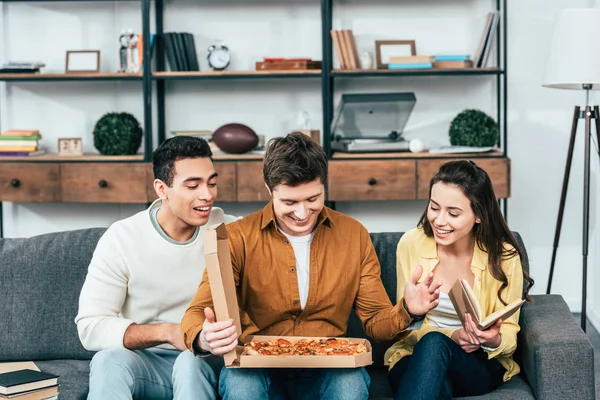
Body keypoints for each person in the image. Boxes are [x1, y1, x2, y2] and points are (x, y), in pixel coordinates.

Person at [181, 131, 442, 400]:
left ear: (324, 186)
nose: (302, 214)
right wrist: (204, 337)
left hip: (330, 367)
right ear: (269, 189)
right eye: (289, 202)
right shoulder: (236, 237)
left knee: (350, 386)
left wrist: (408, 309)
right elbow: (198, 311)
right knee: (242, 386)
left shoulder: (353, 235)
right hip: (258, 366)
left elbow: (377, 323)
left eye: (312, 199)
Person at [75, 136, 237, 400]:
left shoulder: (228, 231)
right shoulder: (122, 238)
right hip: (147, 363)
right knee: (107, 362)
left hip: (205, 361)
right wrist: (169, 332)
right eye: (193, 185)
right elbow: (90, 326)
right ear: (162, 189)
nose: (207, 195)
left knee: (189, 362)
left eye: (212, 183)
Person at [386, 160, 535, 400]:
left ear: (479, 215)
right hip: (414, 358)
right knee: (436, 369)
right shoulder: (410, 244)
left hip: (476, 365)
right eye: (434, 208)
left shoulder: (504, 256)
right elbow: (403, 331)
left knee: (435, 350)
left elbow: (510, 333)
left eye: (453, 213)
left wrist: (493, 339)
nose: (439, 221)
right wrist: (445, 332)